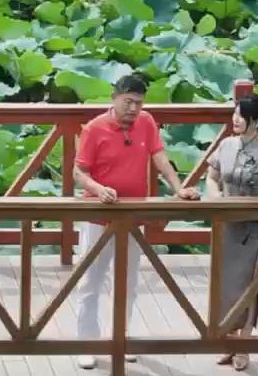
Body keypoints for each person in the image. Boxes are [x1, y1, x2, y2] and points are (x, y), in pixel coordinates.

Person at [72, 74, 197, 370]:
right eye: (128, 102)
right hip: (98, 215)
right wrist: (98, 189)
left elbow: (160, 157)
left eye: (139, 103)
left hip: (132, 216)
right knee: (91, 281)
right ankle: (87, 344)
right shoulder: (94, 128)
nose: (133, 109)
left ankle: (121, 337)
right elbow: (78, 173)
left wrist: (178, 188)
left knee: (127, 281)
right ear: (114, 98)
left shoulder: (147, 122)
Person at [202, 93, 258, 371]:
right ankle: (228, 340)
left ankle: (244, 344)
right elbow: (211, 176)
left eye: (242, 115)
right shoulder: (226, 145)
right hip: (227, 224)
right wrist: (215, 196)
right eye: (235, 113)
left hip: (253, 228)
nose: (235, 119)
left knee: (249, 286)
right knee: (225, 283)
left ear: (257, 122)